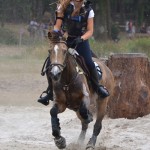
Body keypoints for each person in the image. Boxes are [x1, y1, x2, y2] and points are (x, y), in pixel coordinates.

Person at [38, 0, 109, 106]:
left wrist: (81, 38)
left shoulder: (89, 10)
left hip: (80, 41)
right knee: (50, 63)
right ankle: (49, 91)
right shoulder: (62, 7)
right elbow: (58, 26)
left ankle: (97, 87)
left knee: (89, 62)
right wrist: (57, 34)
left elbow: (90, 31)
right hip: (64, 40)